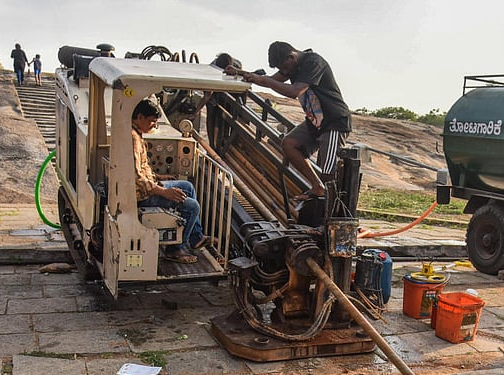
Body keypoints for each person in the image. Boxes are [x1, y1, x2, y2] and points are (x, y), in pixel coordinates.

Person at [226, 41, 350, 202]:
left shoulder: (313, 62)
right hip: (315, 121)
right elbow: (268, 80)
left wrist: (267, 81)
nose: (284, 72)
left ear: (291, 56)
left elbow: (294, 91)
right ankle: (317, 187)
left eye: (284, 68)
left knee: (328, 172)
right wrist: (241, 73)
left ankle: (332, 215)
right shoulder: (292, 66)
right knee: (289, 143)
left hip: (334, 121)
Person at [132, 99, 211, 264]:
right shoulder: (132, 139)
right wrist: (164, 192)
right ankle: (174, 249)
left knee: (186, 186)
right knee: (192, 206)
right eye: (151, 121)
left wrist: (159, 178)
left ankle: (195, 237)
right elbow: (136, 177)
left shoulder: (137, 134)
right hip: (142, 195)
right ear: (139, 117)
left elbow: (142, 168)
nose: (153, 126)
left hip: (150, 186)